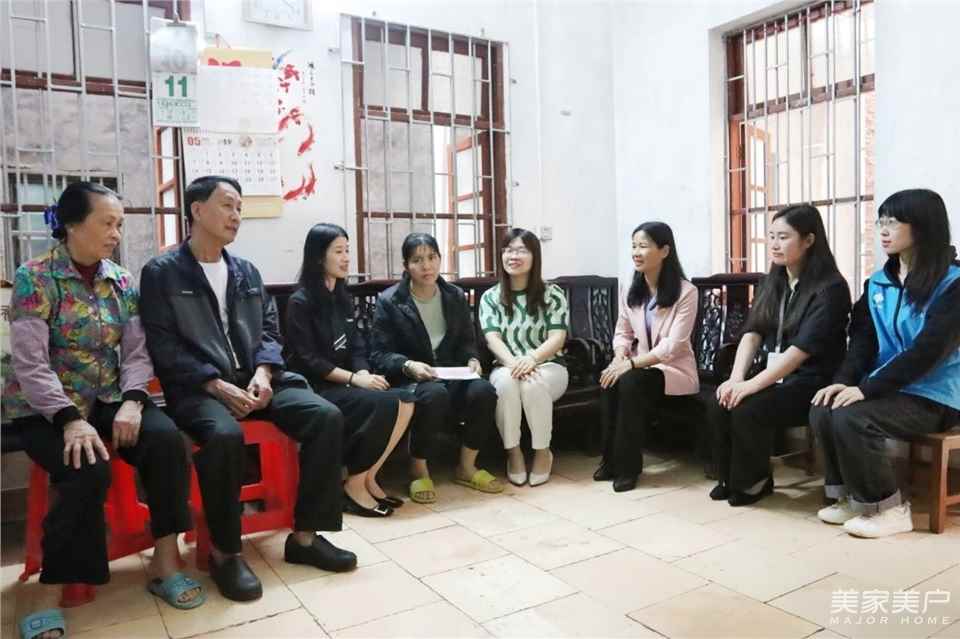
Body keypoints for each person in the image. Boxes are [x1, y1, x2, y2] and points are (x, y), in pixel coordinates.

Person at [139, 176, 356, 603]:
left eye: (239, 207)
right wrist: (214, 382)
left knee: (326, 416)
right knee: (223, 436)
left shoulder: (246, 271)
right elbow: (163, 345)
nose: (236, 215)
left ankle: (306, 537)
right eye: (227, 205)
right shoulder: (162, 273)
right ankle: (225, 552)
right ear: (197, 210)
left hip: (256, 381)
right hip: (198, 388)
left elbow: (269, 333)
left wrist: (263, 372)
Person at [3, 182, 203, 639]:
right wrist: (69, 421)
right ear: (73, 225)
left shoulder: (121, 280)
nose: (116, 234)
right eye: (107, 223)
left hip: (109, 398)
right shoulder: (35, 277)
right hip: (45, 409)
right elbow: (30, 364)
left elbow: (136, 353)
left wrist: (133, 401)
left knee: (166, 441)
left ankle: (165, 563)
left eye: (120, 225)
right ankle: (50, 590)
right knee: (87, 467)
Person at [811, 189, 960, 538]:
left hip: (937, 394)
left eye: (892, 222)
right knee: (824, 406)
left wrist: (866, 390)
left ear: (922, 226)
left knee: (853, 417)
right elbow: (862, 340)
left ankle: (888, 509)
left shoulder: (952, 284)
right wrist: (845, 381)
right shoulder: (878, 281)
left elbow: (928, 352)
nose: (883, 230)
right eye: (880, 222)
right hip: (891, 387)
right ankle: (851, 497)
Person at [708, 204, 851, 506]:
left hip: (812, 381)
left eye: (783, 237)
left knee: (749, 407)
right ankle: (729, 477)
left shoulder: (831, 288)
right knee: (722, 399)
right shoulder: (772, 280)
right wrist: (736, 379)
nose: (774, 244)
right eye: (771, 236)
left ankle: (755, 482)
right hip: (775, 374)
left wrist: (751, 386)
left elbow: (800, 351)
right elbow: (753, 332)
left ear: (809, 240)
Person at [283, 223, 414, 517]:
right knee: (385, 403)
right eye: (338, 252)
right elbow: (309, 360)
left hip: (345, 382)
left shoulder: (342, 297)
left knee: (406, 399)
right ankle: (354, 485)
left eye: (347, 251)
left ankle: (369, 477)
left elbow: (357, 346)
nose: (346, 258)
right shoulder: (300, 302)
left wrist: (363, 373)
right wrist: (355, 379)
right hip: (315, 387)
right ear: (319, 257)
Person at [370, 232, 503, 503]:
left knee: (484, 391)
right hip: (412, 379)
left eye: (432, 257)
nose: (426, 266)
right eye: (417, 260)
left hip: (451, 373)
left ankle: (466, 466)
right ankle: (418, 469)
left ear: (440, 259)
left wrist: (472, 359)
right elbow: (379, 354)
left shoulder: (454, 295)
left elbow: (467, 342)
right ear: (406, 266)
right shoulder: (390, 301)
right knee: (434, 395)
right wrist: (408, 365)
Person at [592, 222, 699, 492]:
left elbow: (673, 346)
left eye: (643, 246)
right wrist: (619, 358)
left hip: (674, 371)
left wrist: (629, 364)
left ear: (664, 251)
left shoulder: (686, 292)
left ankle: (628, 468)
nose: (636, 253)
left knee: (630, 380)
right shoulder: (631, 288)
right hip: (641, 367)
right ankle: (610, 461)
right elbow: (622, 332)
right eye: (633, 246)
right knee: (609, 379)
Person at [479, 228, 569, 487]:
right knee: (507, 384)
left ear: (534, 256)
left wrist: (531, 359)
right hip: (506, 366)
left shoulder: (552, 294)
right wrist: (515, 364)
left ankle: (542, 453)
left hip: (549, 366)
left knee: (533, 384)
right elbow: (492, 339)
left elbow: (557, 338)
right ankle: (514, 453)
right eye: (508, 250)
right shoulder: (491, 297)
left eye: (521, 250)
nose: (513, 256)